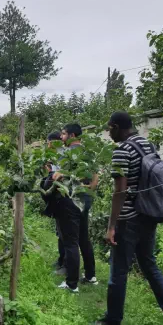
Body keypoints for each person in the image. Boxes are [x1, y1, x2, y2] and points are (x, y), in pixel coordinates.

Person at [95, 112, 163, 325]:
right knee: (150, 267)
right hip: (148, 215)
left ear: (117, 127)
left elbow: (120, 190)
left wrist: (111, 226)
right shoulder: (147, 144)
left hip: (128, 219)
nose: (109, 133)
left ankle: (113, 321)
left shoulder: (122, 150)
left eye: (110, 129)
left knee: (118, 271)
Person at [52, 123, 98, 292]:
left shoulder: (67, 154)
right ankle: (90, 276)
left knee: (70, 242)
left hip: (70, 200)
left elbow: (57, 175)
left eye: (63, 134)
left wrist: (57, 176)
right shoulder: (89, 153)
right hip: (85, 200)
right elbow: (95, 177)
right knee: (84, 238)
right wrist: (88, 191)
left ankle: (72, 284)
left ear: (71, 135)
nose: (61, 137)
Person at [41, 131, 66, 274]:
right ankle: (61, 260)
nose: (47, 144)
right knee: (59, 231)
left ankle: (66, 265)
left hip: (63, 198)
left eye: (48, 141)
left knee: (64, 233)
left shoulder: (63, 155)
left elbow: (58, 176)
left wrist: (51, 175)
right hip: (58, 198)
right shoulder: (55, 156)